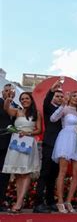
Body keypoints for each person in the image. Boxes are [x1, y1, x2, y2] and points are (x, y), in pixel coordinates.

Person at [2, 92, 42, 213]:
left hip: (28, 143)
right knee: (19, 173)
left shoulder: (36, 113)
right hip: (15, 143)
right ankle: (20, 201)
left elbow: (39, 129)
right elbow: (6, 108)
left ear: (31, 100)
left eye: (27, 98)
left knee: (25, 172)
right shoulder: (17, 111)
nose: (25, 100)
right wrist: (8, 99)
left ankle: (19, 202)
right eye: (22, 99)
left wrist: (28, 133)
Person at [51, 91, 77, 213]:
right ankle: (60, 201)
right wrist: (62, 105)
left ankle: (69, 201)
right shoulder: (65, 108)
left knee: (76, 173)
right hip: (66, 139)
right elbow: (53, 119)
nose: (76, 98)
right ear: (70, 98)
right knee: (63, 171)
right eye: (74, 96)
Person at [34, 80, 63, 213]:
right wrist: (52, 89)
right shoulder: (48, 107)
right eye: (57, 96)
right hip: (49, 143)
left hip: (61, 146)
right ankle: (38, 204)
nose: (59, 98)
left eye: (61, 96)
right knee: (45, 173)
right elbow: (47, 99)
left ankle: (50, 201)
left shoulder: (64, 110)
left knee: (53, 175)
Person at [0, 84, 18, 212]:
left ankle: (1, 201)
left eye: (11, 91)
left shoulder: (17, 107)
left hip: (11, 145)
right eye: (6, 91)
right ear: (2, 93)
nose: (8, 93)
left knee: (4, 174)